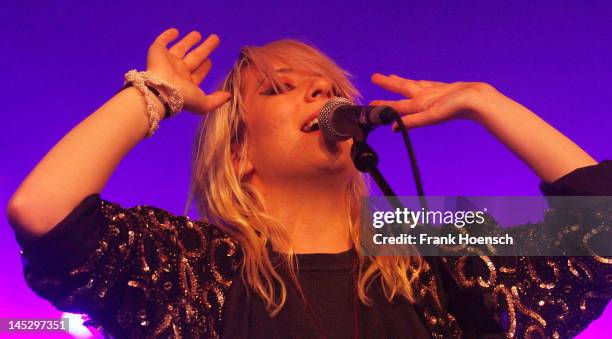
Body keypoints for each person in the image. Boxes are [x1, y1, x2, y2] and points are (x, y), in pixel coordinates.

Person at [6, 28, 612, 338]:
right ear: (238, 153)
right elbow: (44, 211)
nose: (323, 93)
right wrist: (157, 96)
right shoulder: (197, 265)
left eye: (326, 85)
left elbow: (601, 232)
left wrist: (487, 102)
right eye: (280, 87)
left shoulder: (428, 240)